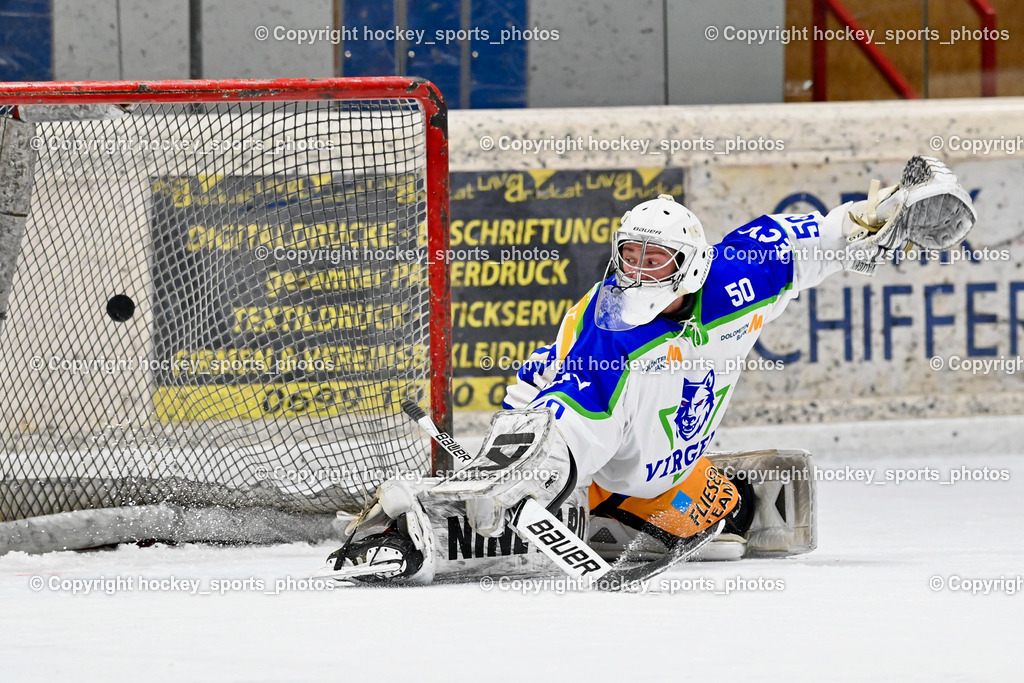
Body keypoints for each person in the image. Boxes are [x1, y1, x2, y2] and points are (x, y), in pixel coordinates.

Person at [323, 155, 976, 586]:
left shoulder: (740, 274)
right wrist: (491, 484)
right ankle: (429, 521)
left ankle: (680, 500)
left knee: (740, 504)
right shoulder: (607, 336)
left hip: (682, 473)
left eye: (654, 259)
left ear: (690, 263)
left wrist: (879, 216)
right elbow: (557, 422)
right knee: (525, 481)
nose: (636, 271)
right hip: (603, 471)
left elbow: (819, 240)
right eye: (627, 255)